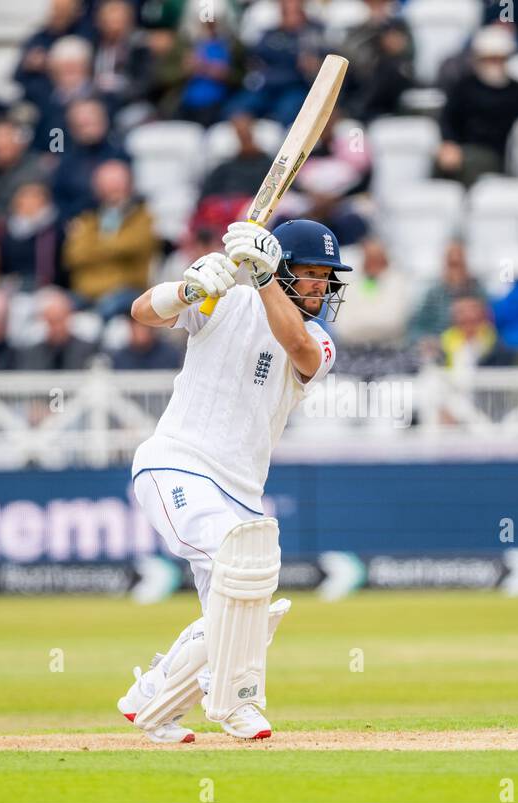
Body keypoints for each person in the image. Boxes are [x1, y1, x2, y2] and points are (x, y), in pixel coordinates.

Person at [117, 218, 346, 743]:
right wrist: (187, 289)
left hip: (241, 492)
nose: (322, 286)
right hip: (177, 462)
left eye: (327, 276)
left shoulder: (318, 340)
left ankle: (152, 700)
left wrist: (265, 279)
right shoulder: (228, 302)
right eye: (311, 273)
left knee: (245, 611)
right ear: (286, 269)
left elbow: (298, 349)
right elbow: (141, 312)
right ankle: (237, 702)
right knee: (235, 571)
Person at [435, 26, 518, 187]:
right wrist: (449, 143)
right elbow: (448, 119)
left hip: (494, 156)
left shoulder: (516, 91)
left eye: (499, 59)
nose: (494, 65)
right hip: (461, 150)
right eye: (489, 59)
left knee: (469, 165)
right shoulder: (464, 87)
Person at [61, 160, 156, 318]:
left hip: (127, 292)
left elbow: (133, 246)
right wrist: (111, 247)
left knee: (105, 310)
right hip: (85, 294)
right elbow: (73, 255)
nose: (112, 189)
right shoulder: (88, 219)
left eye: (117, 183)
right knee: (56, 308)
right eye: (107, 184)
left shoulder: (143, 217)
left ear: (129, 185)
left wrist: (94, 246)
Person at [110, 316, 183, 370]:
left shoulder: (170, 355)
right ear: (131, 327)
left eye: (144, 326)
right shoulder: (119, 358)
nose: (141, 330)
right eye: (137, 325)